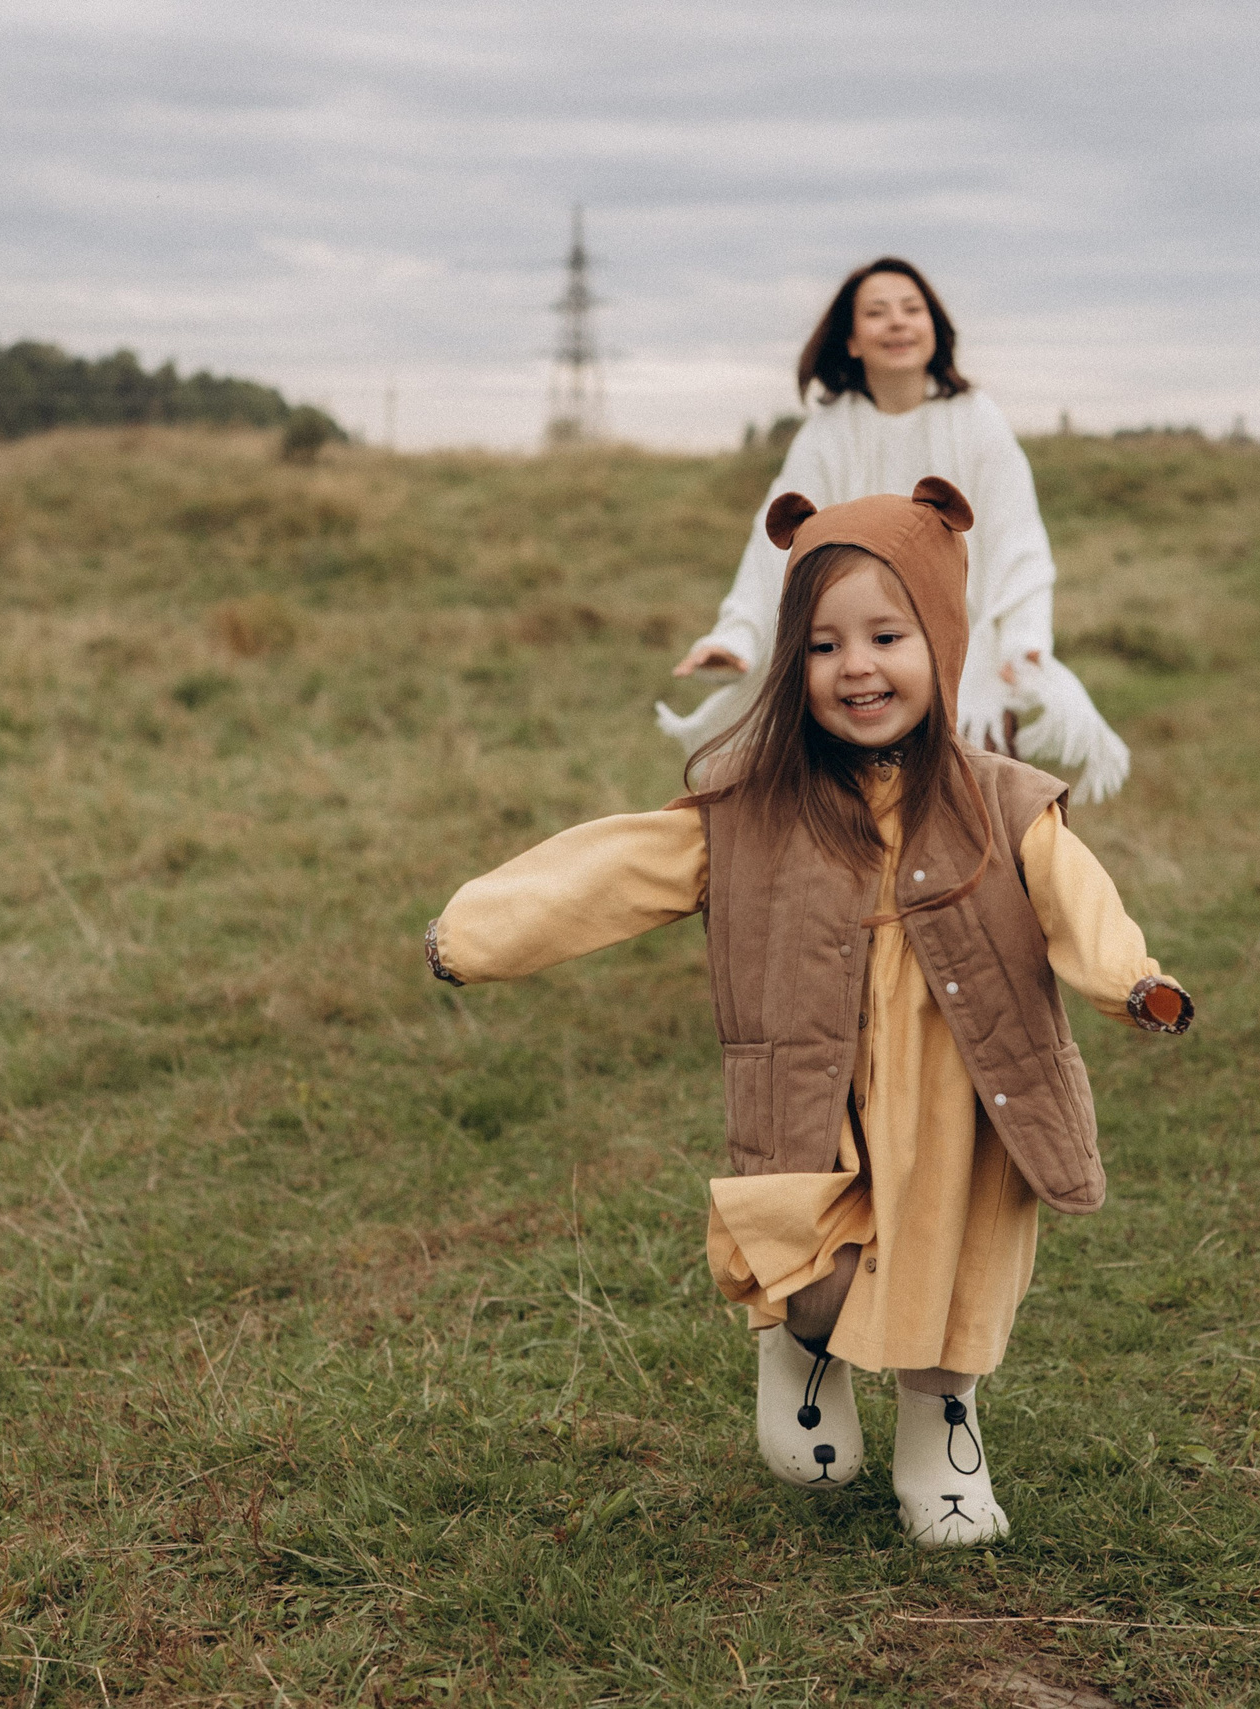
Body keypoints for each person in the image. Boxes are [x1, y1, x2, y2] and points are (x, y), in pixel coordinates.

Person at [430, 478, 1190, 1547]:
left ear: (942, 642)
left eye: (888, 633)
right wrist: (477, 933)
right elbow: (612, 868)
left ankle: (943, 1432)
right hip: (813, 1080)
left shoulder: (1002, 800)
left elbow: (1078, 900)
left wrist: (1132, 981)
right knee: (811, 1271)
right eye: (826, 646)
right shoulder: (751, 807)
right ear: (796, 664)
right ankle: (803, 1347)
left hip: (967, 1089)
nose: (858, 667)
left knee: (952, 1265)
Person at [658, 258, 1130, 803]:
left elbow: (1017, 539)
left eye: (912, 309)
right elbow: (783, 545)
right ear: (852, 340)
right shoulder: (829, 432)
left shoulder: (975, 419)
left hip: (961, 658)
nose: (898, 323)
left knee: (977, 821)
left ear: (935, 328)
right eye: (877, 313)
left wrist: (1024, 638)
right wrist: (737, 636)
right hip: (856, 656)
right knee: (845, 820)